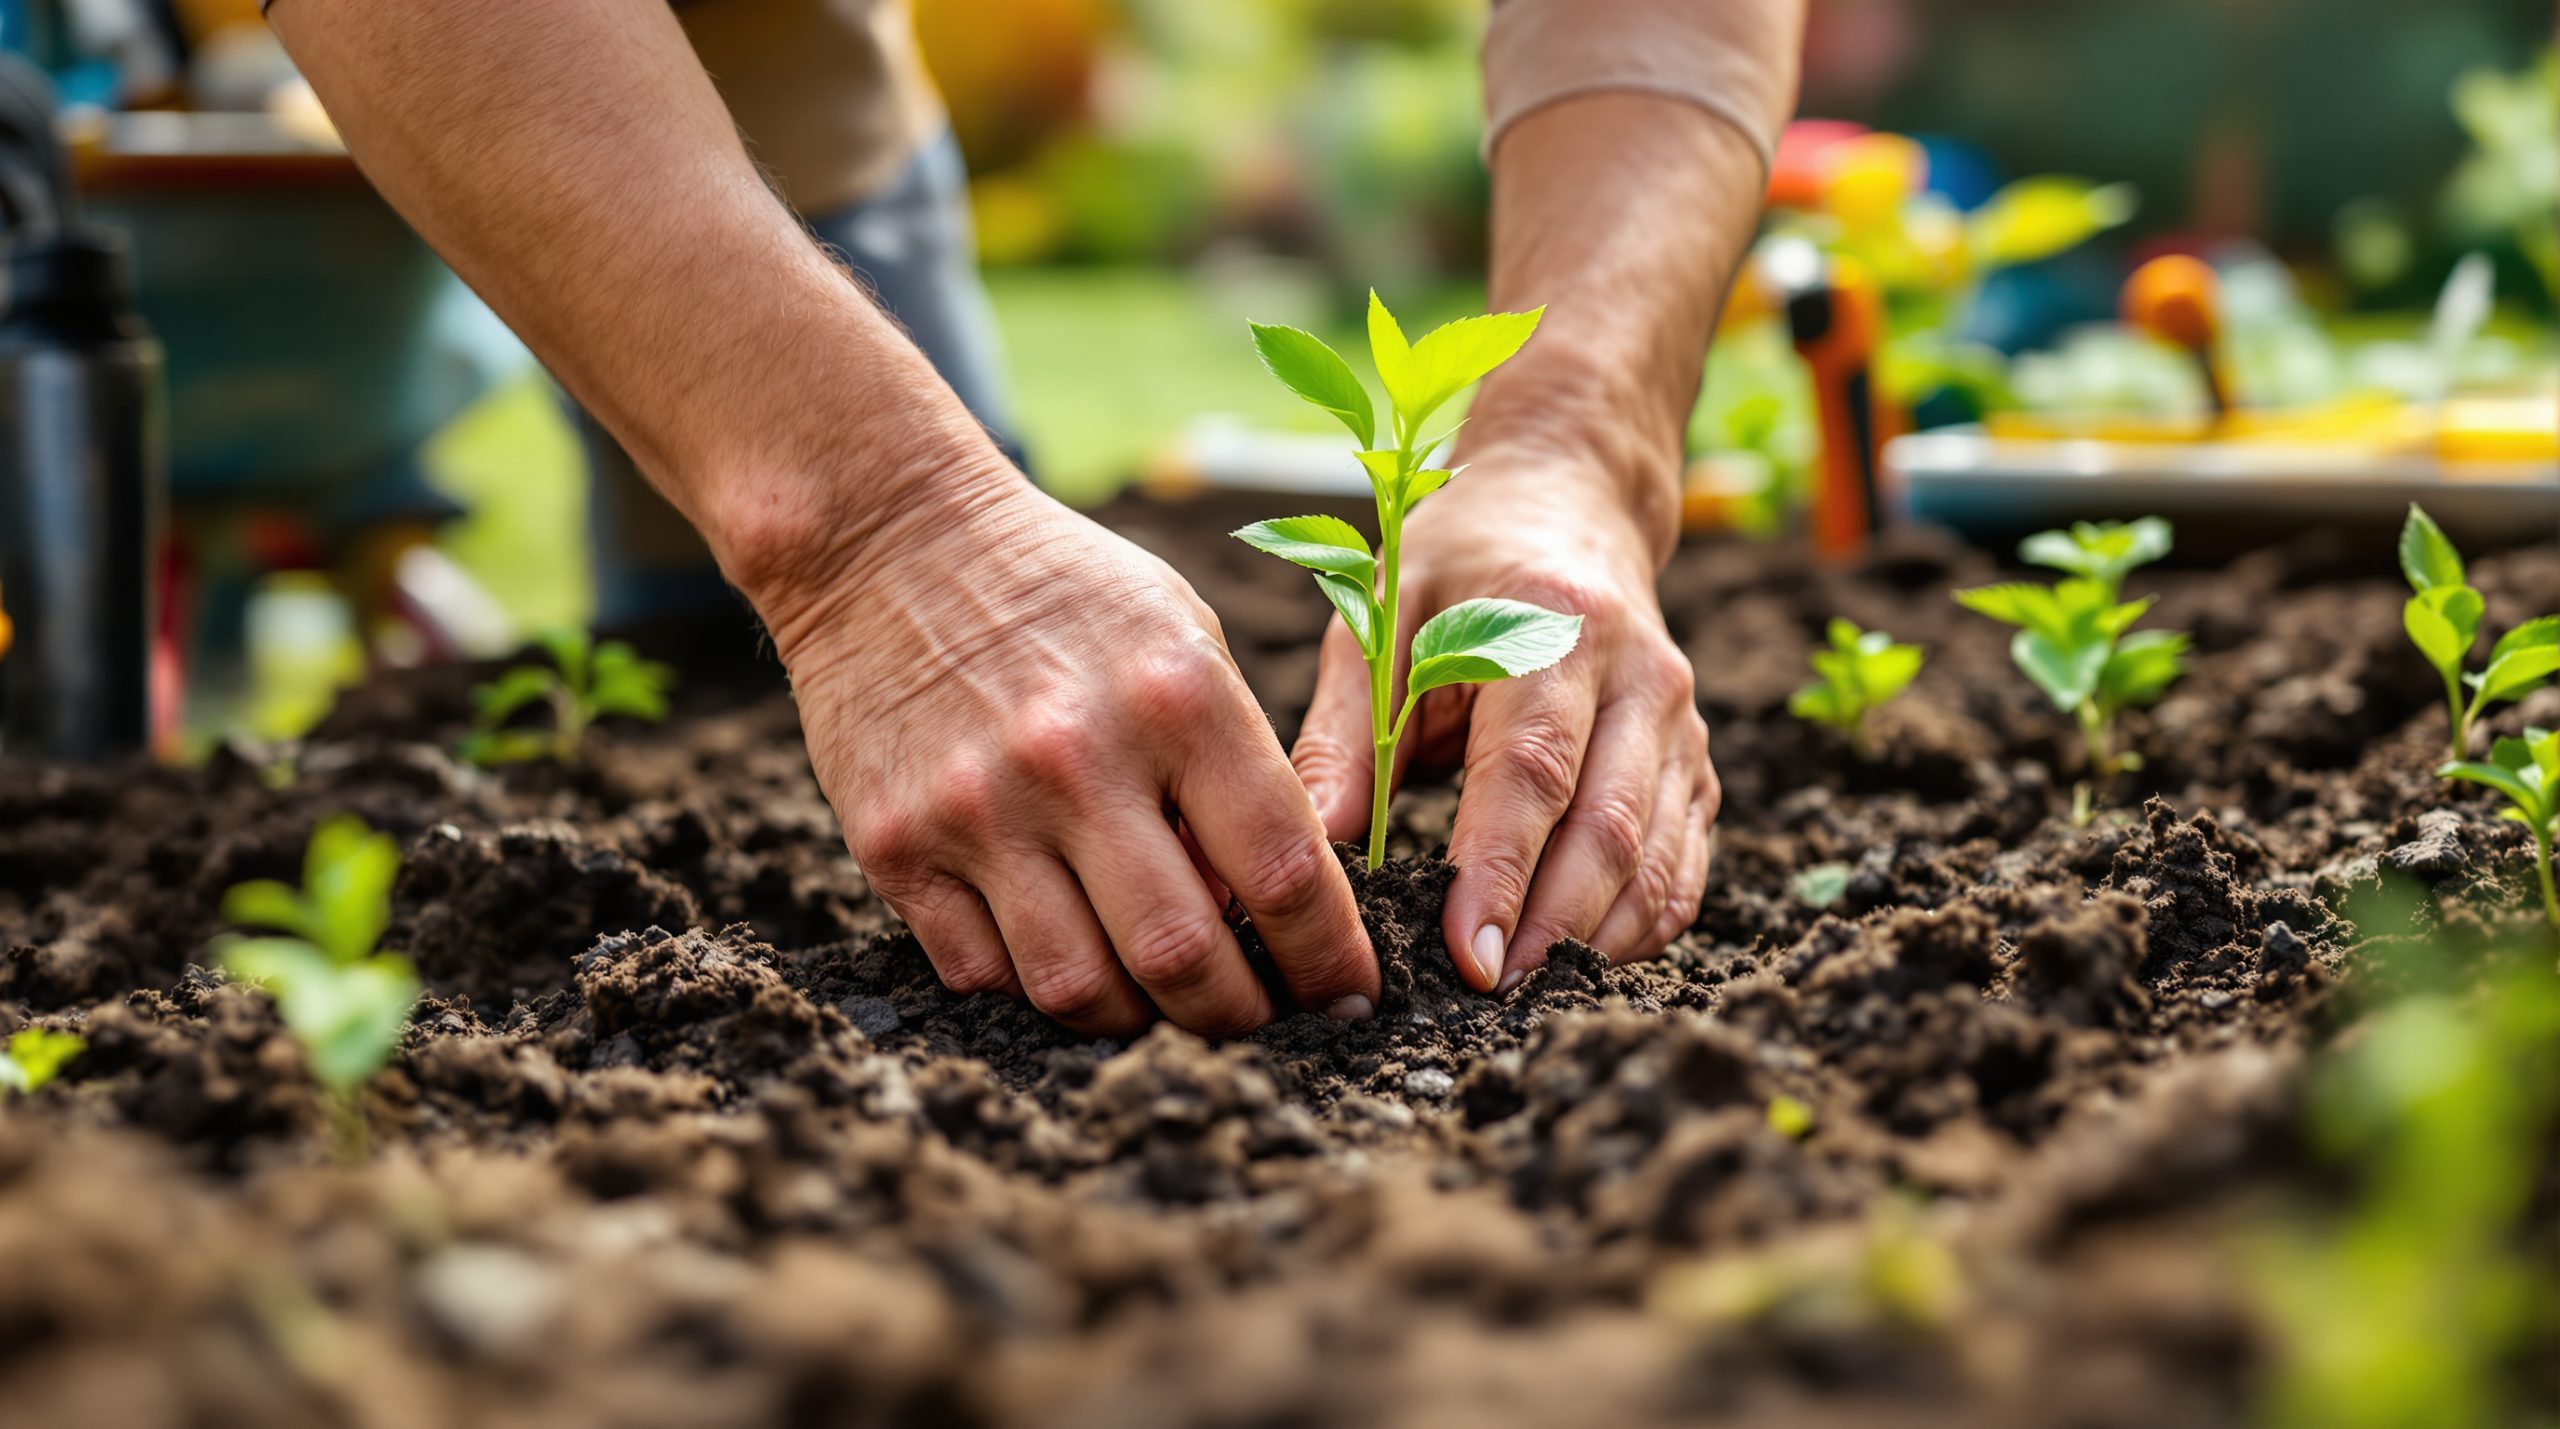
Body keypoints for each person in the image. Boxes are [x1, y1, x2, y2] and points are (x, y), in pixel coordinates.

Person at [259, 0, 1805, 1037]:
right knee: (838, 607)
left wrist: (1573, 449)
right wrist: (869, 531)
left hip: (783, 51)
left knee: (819, 687)